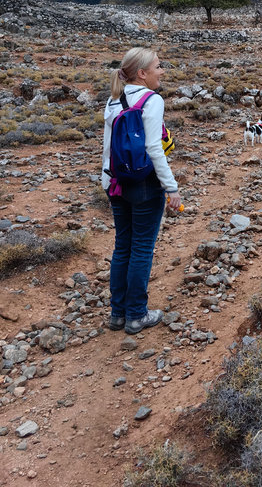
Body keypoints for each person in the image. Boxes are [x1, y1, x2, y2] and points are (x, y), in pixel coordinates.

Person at [102, 47, 182, 334]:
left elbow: (108, 148)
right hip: (145, 183)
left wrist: (106, 181)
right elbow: (153, 149)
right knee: (142, 249)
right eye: (158, 67)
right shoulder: (152, 100)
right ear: (142, 73)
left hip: (117, 182)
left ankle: (117, 314)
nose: (162, 72)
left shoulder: (113, 100)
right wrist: (171, 187)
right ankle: (137, 314)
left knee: (123, 246)